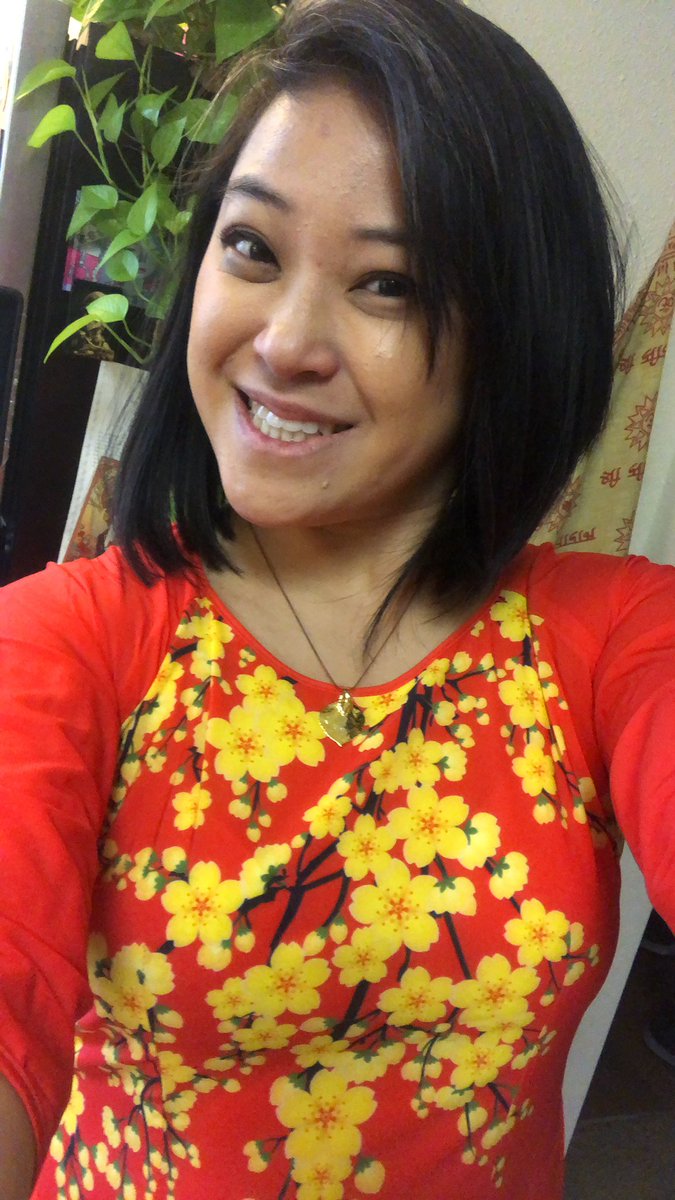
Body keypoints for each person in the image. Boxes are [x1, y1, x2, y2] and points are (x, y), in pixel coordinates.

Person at [1, 1, 674, 1197]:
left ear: (515, 334)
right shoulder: (68, 639)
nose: (285, 342)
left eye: (388, 285)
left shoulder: (610, 637)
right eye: (252, 249)